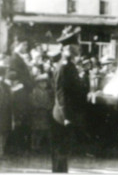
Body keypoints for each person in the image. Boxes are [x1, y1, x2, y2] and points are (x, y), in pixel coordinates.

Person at [51, 26, 83, 173]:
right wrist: (67, 117)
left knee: (64, 151)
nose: (79, 47)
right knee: (61, 151)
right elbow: (60, 93)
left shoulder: (69, 65)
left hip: (67, 114)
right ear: (70, 47)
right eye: (77, 45)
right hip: (63, 116)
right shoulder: (64, 66)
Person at [8, 36, 34, 154]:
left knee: (22, 119)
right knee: (19, 119)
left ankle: (19, 147)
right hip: (19, 93)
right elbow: (14, 75)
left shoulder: (19, 58)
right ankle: (17, 147)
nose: (26, 47)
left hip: (23, 91)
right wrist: (27, 83)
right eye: (24, 45)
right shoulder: (15, 58)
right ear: (17, 45)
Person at [31, 73, 53, 153]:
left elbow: (50, 101)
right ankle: (34, 145)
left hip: (45, 113)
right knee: (36, 130)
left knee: (44, 130)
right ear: (38, 83)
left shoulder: (47, 92)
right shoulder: (35, 91)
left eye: (45, 83)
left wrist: (49, 106)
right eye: (42, 83)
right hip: (38, 113)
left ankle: (39, 145)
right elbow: (33, 102)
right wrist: (42, 106)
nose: (44, 84)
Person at [0, 65, 12, 159]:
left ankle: (1, 151)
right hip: (2, 112)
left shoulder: (6, 86)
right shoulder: (4, 86)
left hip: (5, 112)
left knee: (4, 133)